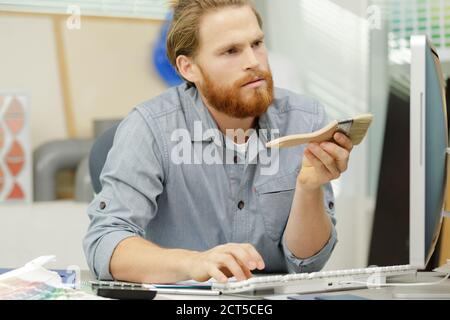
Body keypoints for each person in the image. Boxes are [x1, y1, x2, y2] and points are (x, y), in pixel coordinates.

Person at [83, 0, 353, 284]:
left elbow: (306, 263)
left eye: (257, 44)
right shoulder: (151, 128)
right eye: (231, 51)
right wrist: (193, 263)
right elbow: (105, 243)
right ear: (189, 68)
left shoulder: (305, 120)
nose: (253, 61)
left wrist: (308, 189)